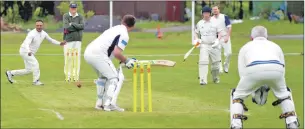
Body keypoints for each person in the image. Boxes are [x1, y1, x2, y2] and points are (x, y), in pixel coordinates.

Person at [230, 26, 300, 129]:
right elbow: (282, 67)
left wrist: (252, 88)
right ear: (267, 36)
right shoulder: (275, 46)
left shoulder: (246, 47)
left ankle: (236, 125)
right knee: (284, 94)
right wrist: (278, 87)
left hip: (253, 69)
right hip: (277, 70)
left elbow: (242, 71)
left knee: (237, 96)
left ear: (251, 37)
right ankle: (292, 122)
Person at [84, 15, 137, 111]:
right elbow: (117, 53)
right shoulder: (124, 34)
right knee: (114, 78)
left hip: (88, 52)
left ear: (122, 21)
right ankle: (109, 104)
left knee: (103, 77)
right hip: (98, 54)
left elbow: (112, 51)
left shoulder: (115, 28)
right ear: (133, 26)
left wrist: (124, 60)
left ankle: (99, 104)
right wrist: (127, 60)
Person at [5, 20, 66, 85]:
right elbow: (26, 43)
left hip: (29, 53)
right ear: (35, 26)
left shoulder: (44, 33)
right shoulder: (31, 33)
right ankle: (36, 81)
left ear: (43, 26)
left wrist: (60, 43)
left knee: (28, 70)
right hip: (25, 51)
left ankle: (10, 73)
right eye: (37, 25)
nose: (39, 27)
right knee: (35, 64)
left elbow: (51, 40)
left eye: (40, 25)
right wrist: (28, 51)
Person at [193, 6, 223, 85]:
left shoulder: (215, 22)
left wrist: (217, 40)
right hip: (204, 45)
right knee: (203, 62)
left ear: (210, 13)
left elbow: (220, 33)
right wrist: (197, 40)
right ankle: (203, 80)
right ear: (202, 14)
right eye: (204, 13)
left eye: (207, 13)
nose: (206, 15)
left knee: (216, 65)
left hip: (214, 45)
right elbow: (196, 32)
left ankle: (215, 78)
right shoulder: (200, 23)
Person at [63, 3, 84, 82]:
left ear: (76, 8)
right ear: (70, 8)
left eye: (74, 8)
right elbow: (66, 27)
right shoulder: (66, 16)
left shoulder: (80, 16)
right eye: (72, 8)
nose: (73, 9)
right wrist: (77, 27)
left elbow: (82, 26)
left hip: (78, 40)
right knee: (68, 58)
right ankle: (68, 76)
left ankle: (76, 76)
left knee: (77, 58)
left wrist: (72, 24)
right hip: (68, 40)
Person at [211, 5, 232, 73]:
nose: (215, 11)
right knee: (218, 54)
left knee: (229, 53)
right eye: (214, 10)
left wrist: (227, 37)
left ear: (219, 10)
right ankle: (220, 69)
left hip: (225, 36)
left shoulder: (224, 17)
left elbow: (229, 27)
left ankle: (226, 65)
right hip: (217, 39)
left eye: (216, 9)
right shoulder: (211, 19)